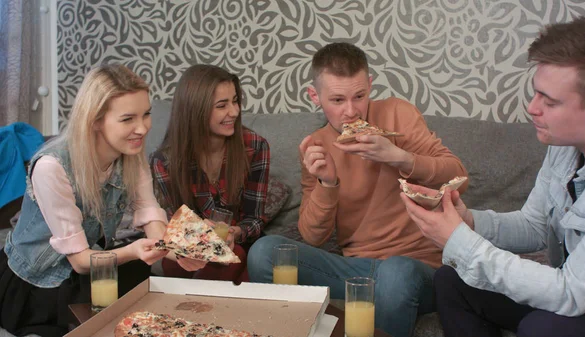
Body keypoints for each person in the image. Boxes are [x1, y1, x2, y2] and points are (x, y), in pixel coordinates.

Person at [247, 42, 468, 336]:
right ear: (315, 96)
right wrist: (328, 183)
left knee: (396, 274)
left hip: (418, 270)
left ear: (370, 86)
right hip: (357, 272)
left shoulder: (398, 114)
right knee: (264, 252)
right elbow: (313, 236)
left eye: (359, 96)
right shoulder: (316, 145)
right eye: (337, 100)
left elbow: (459, 177)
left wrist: (398, 157)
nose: (351, 111)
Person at [401, 17, 585, 337]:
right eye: (536, 94)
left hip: (583, 299)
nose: (532, 108)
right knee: (451, 280)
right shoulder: (563, 148)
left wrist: (460, 242)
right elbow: (535, 226)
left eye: (549, 102)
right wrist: (467, 222)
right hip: (574, 294)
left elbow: (571, 293)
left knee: (543, 328)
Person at [0, 64, 204, 337]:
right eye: (127, 119)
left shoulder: (131, 153)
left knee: (149, 306)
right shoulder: (52, 166)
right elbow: (80, 260)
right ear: (95, 119)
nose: (142, 129)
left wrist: (176, 251)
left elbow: (149, 213)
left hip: (89, 274)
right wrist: (134, 251)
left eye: (146, 115)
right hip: (35, 285)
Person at [150, 64, 270, 284]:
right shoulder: (165, 161)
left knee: (235, 257)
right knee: (173, 262)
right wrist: (199, 235)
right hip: (191, 249)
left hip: (239, 246)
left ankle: (193, 310)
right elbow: (171, 226)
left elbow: (254, 219)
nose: (234, 112)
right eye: (222, 105)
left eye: (235, 101)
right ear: (195, 110)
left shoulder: (254, 147)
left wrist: (235, 232)